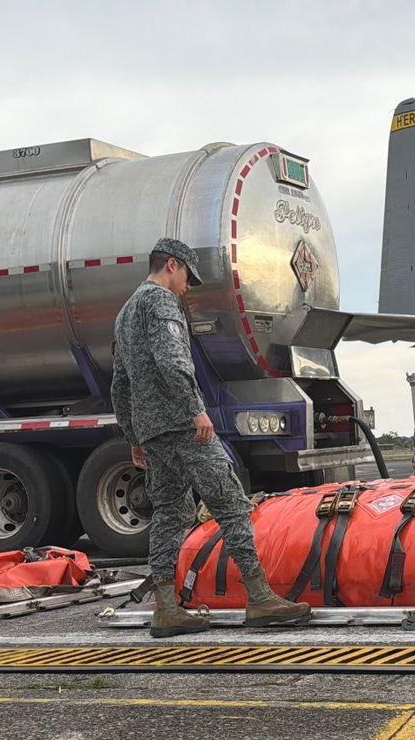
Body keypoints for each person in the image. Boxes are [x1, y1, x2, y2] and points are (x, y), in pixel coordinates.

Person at [111, 238, 311, 637]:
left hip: (153, 433)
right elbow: (173, 360)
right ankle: (260, 598)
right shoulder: (161, 302)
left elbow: (120, 383)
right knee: (232, 504)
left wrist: (133, 435)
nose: (188, 287)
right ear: (172, 265)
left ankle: (167, 609)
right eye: (188, 276)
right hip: (182, 425)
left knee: (170, 513)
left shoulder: (125, 313)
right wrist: (195, 409)